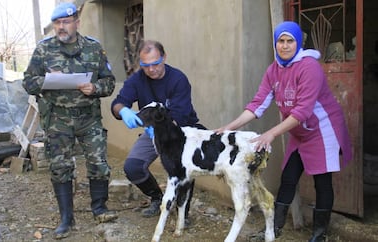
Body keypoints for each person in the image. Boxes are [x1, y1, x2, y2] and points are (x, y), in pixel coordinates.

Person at [215, 21, 352, 242]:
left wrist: (271, 134)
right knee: (288, 178)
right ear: (275, 43)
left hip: (322, 129)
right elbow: (258, 104)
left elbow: (303, 111)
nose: (285, 46)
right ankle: (274, 230)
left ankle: (319, 235)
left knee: (322, 182)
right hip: (299, 132)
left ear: (298, 43)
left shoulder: (309, 67)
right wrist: (228, 127)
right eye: (281, 41)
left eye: (290, 41)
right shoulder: (274, 69)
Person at [22, 2, 117, 239]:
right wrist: (46, 80)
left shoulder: (94, 49)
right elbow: (28, 82)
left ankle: (99, 208)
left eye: (65, 22)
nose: (61, 27)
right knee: (60, 166)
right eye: (57, 23)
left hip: (89, 118)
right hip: (58, 120)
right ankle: (67, 218)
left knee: (98, 163)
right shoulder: (43, 50)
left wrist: (94, 87)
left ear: (77, 22)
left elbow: (109, 83)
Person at [111, 40, 204, 218]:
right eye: (145, 65)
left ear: (164, 58)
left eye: (155, 64)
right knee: (133, 167)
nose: (151, 69)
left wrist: (160, 129)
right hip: (153, 132)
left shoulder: (178, 79)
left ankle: (182, 212)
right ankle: (156, 198)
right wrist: (123, 111)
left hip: (181, 131)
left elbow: (180, 116)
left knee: (183, 168)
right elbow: (118, 102)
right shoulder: (137, 80)